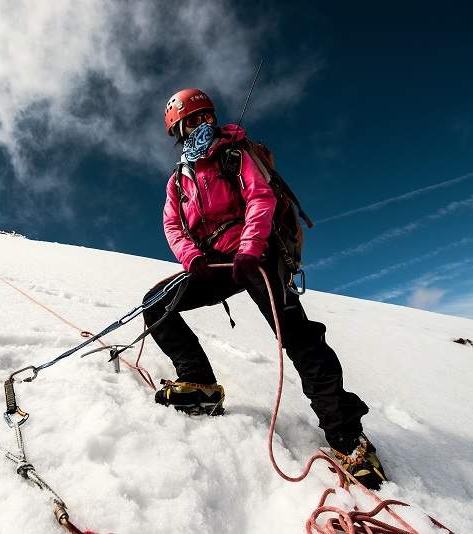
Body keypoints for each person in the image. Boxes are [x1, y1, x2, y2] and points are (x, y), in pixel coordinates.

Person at [142, 88, 386, 490]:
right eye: (194, 121)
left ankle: (347, 439)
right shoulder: (178, 182)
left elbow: (260, 196)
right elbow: (173, 226)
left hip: (255, 255)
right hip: (212, 262)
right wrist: (191, 257)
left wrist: (251, 247)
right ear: (179, 131)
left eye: (207, 117)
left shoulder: (235, 153)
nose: (203, 125)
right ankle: (199, 383)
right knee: (156, 304)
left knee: (298, 339)